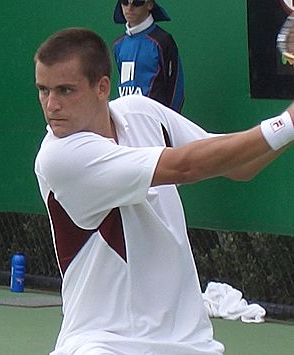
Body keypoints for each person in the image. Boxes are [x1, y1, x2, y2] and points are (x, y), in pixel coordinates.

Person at [34, 27, 294, 355]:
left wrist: (289, 128)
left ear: (102, 87)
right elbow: (185, 166)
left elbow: (240, 165)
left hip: (189, 344)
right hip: (102, 344)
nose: (51, 105)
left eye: (65, 90)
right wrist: (287, 123)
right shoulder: (59, 157)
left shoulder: (143, 113)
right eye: (43, 90)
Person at [113, 0, 184, 112]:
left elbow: (176, 89)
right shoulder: (118, 44)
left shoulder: (163, 41)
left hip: (155, 122)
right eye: (124, 1)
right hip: (127, 120)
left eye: (137, 2)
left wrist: (167, 125)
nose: (129, 8)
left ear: (150, 4)